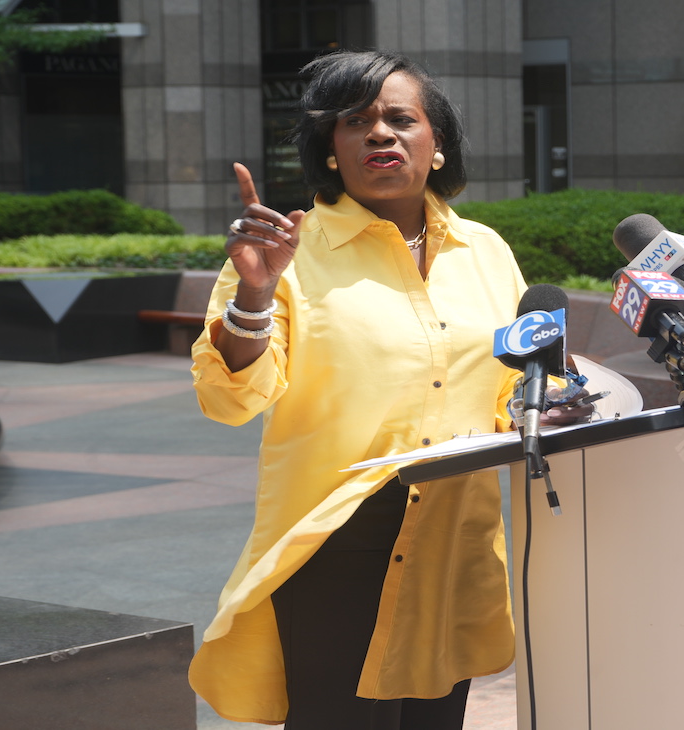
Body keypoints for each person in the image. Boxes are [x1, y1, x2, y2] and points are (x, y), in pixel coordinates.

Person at [187, 50, 591, 729]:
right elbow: (229, 399)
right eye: (355, 121)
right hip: (336, 539)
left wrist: (555, 397)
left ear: (436, 145)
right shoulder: (285, 252)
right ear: (331, 150)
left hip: (453, 539)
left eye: (401, 118)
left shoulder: (486, 251)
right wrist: (255, 293)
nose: (380, 133)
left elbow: (512, 390)